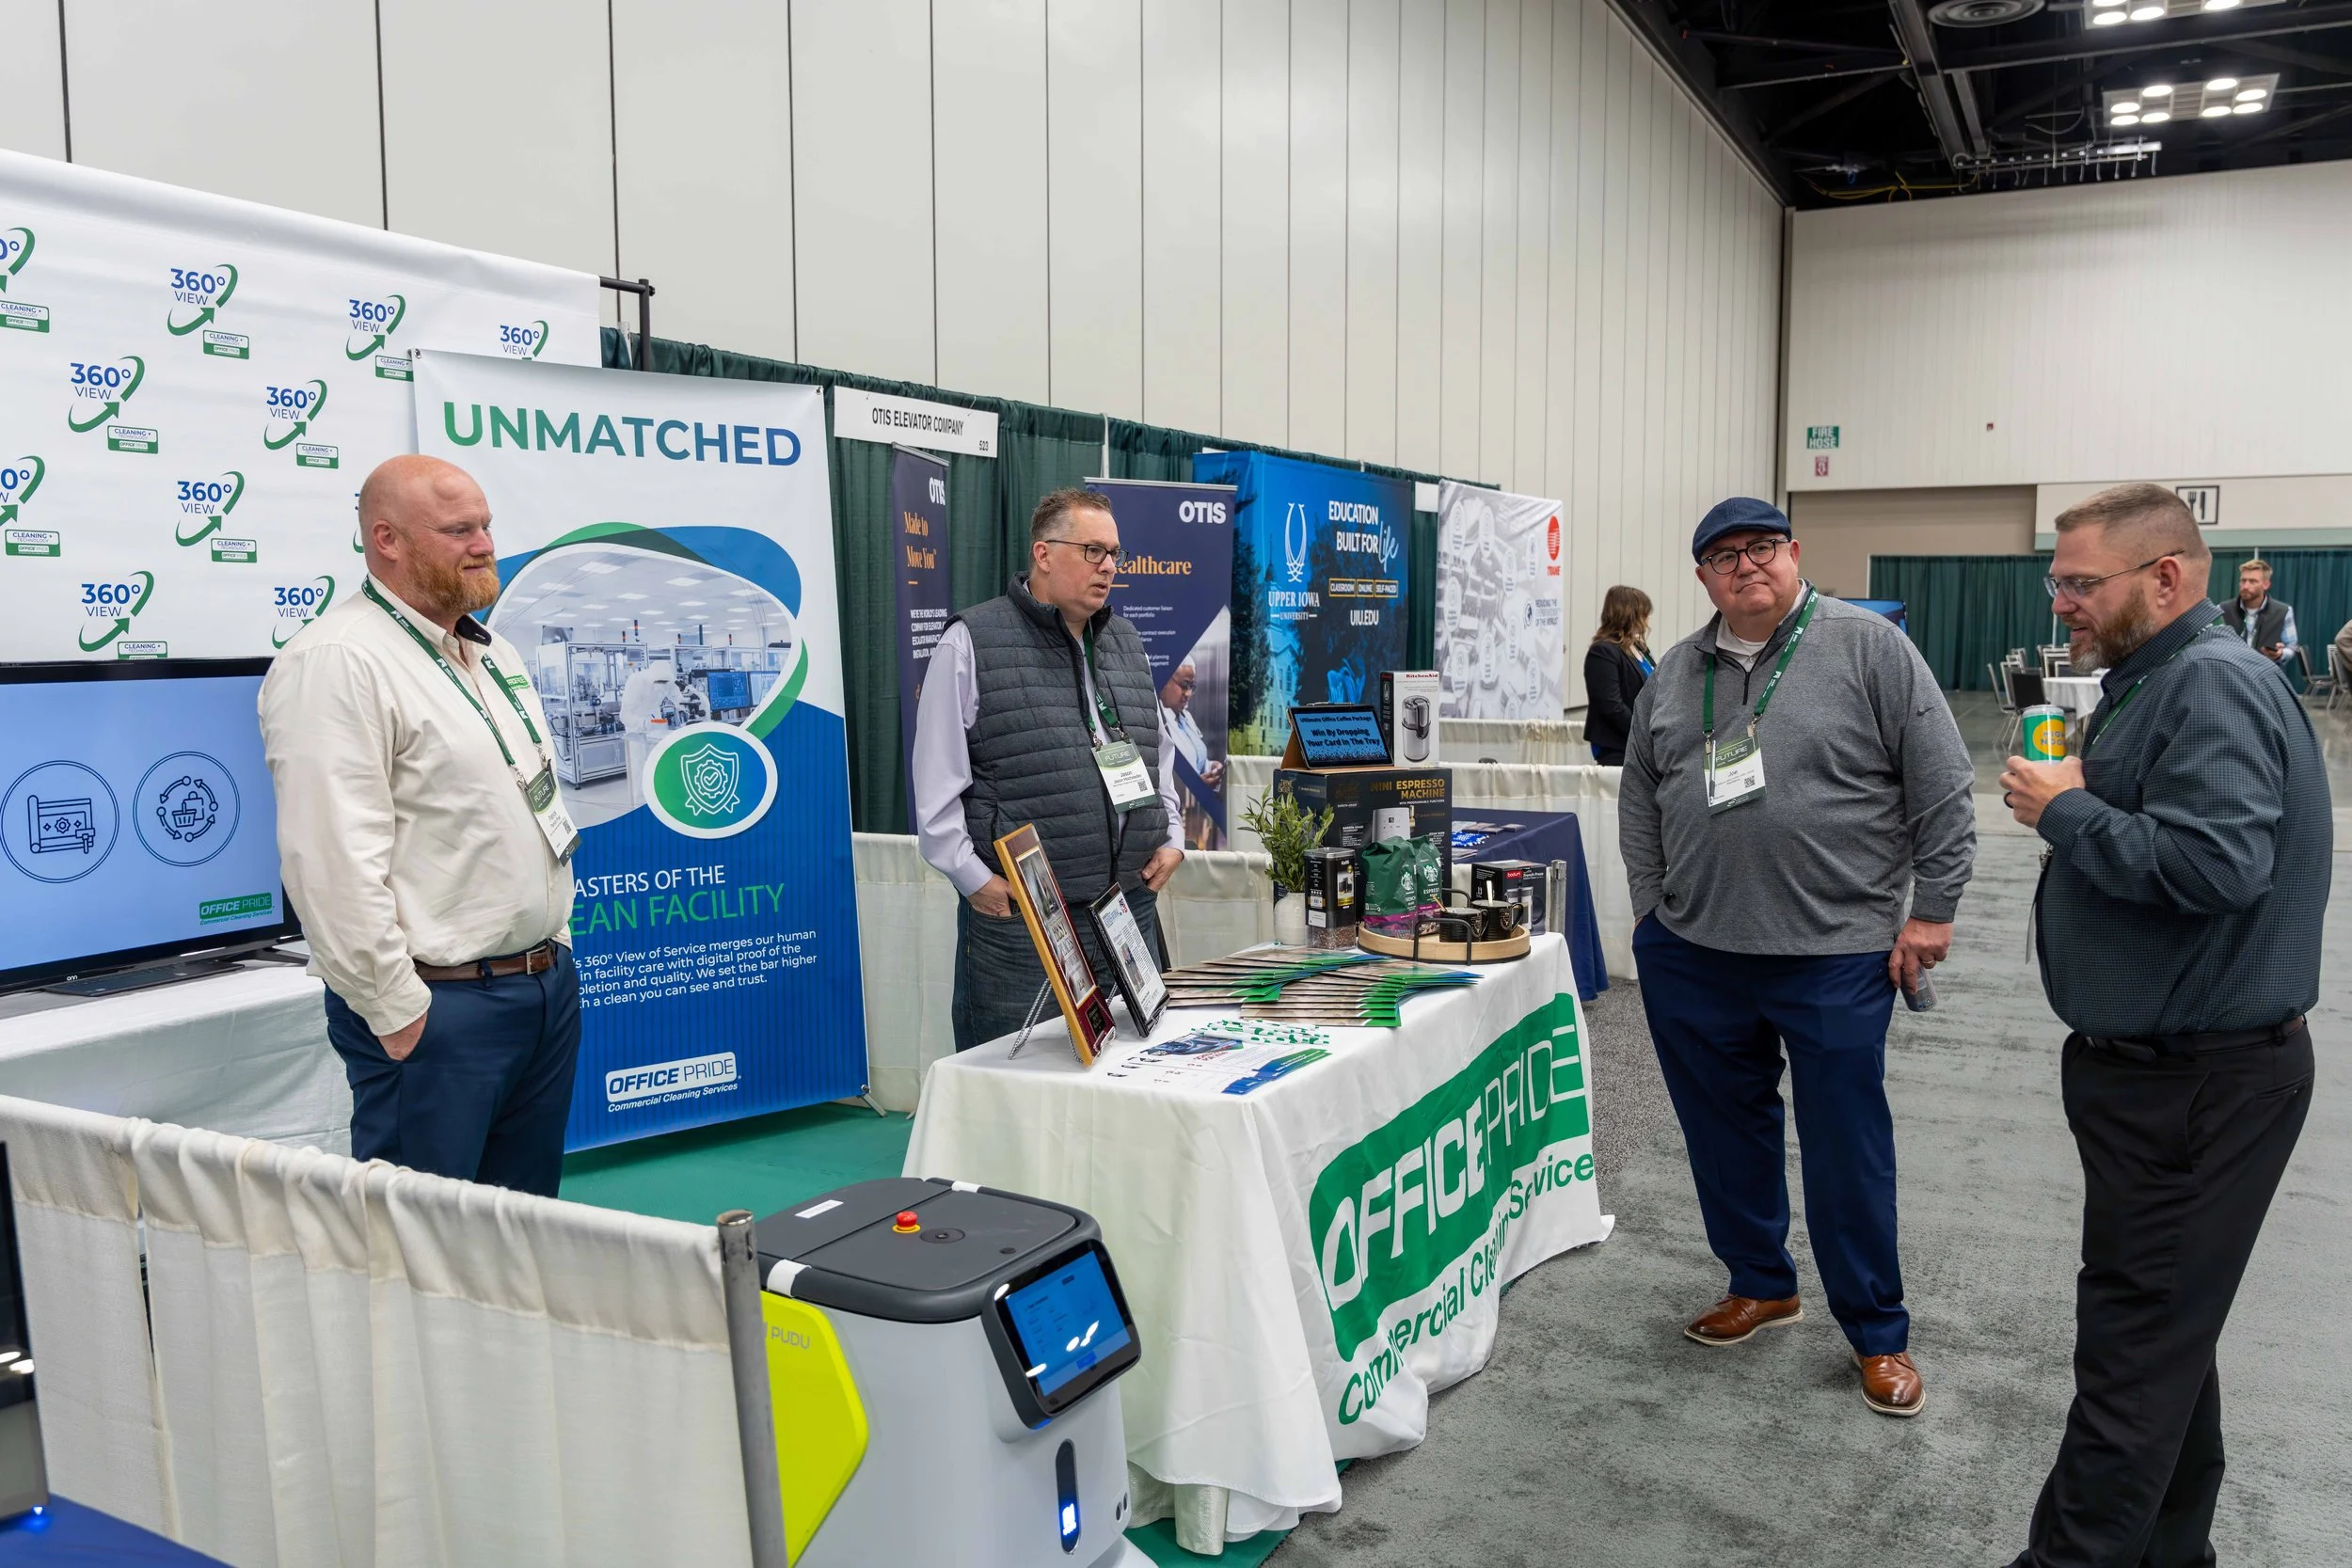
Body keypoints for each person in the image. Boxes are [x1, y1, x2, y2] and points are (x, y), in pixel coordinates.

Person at [1997, 483, 2324, 1568]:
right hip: (2163, 1076)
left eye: (2082, 583)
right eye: (2059, 582)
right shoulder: (2157, 681)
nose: (2063, 603)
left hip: (2195, 1084)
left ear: (2168, 576)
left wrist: (2068, 810)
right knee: (2163, 1343)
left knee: (2133, 1362)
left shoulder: (2211, 685)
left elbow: (2217, 864)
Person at [1620, 496, 1974, 1418]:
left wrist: (1930, 911)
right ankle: (1760, 1281)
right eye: (1724, 554)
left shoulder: (1867, 648)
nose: (1746, 565)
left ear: (1794, 554)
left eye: (1763, 547)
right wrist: (1651, 910)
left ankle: (1877, 1332)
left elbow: (1941, 785)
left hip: (1835, 951)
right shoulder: (1675, 671)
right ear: (1701, 575)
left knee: (1845, 1144)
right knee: (1722, 1130)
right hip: (1694, 950)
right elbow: (1640, 792)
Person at [259, 455, 580, 1196]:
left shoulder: (489, 653)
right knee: (419, 1256)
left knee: (524, 1235)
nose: (484, 544)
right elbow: (331, 865)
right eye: (459, 529)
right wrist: (400, 1014)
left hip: (539, 992)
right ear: (387, 540)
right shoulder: (339, 661)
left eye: (487, 525)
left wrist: (554, 951)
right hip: (439, 1014)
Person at [914, 488, 1186, 1051]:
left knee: (1138, 1079)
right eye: (1093, 551)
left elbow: (1155, 754)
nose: (1109, 566)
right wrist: (974, 879)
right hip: (1030, 921)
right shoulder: (972, 643)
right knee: (1016, 1084)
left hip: (1126, 908)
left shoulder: (1127, 642)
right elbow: (936, 782)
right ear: (1043, 554)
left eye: (1115, 554)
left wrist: (1172, 836)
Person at [1583, 585, 1655, 765]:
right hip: (1618, 747)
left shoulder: (1638, 647)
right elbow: (1611, 706)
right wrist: (1643, 734)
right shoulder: (1602, 652)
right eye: (1643, 613)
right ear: (1629, 615)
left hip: (1643, 743)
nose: (1647, 621)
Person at [1159, 660, 1226, 849]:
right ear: (1165, 681)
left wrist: (1213, 766)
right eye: (1184, 685)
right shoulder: (1158, 720)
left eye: (1192, 686)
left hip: (1202, 814)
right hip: (1178, 818)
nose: (1188, 694)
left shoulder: (1186, 716)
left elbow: (1197, 760)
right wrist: (1194, 786)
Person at [2220, 558, 2298, 683]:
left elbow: (2292, 647)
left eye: (2252, 581)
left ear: (2266, 585)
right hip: (2231, 678)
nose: (2246, 586)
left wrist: (2280, 653)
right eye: (2243, 580)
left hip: (2266, 679)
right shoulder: (2223, 609)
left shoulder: (2283, 611)